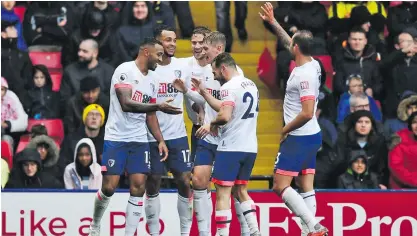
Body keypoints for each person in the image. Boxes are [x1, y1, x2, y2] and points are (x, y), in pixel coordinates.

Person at [87, 38, 181, 236]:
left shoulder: (153, 80)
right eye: (158, 54)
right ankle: (95, 224)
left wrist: (160, 140)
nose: (160, 59)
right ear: (146, 52)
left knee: (139, 186)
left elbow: (150, 115)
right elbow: (126, 103)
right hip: (116, 138)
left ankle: (129, 233)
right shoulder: (125, 71)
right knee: (109, 187)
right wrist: (158, 106)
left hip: (139, 140)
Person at [259, 3, 328, 236]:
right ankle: (309, 231)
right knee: (305, 185)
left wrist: (285, 129)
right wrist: (273, 21)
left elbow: (307, 111)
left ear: (296, 47)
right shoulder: (312, 62)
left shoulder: (304, 75)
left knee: (280, 186)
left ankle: (314, 226)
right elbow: (291, 42)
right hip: (312, 135)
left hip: (299, 135)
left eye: (292, 42)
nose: (290, 44)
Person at [173, 31, 249, 235]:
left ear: (219, 49)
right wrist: (187, 92)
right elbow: (206, 100)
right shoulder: (207, 71)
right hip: (207, 136)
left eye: (206, 48)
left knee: (233, 188)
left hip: (228, 137)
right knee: (198, 180)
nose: (202, 51)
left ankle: (245, 230)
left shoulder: (235, 75)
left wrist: (214, 124)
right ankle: (205, 232)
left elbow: (233, 109)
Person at [191, 52, 261, 236]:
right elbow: (226, 107)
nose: (214, 76)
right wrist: (205, 92)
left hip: (231, 146)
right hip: (250, 147)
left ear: (223, 68)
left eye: (215, 73)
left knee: (222, 193)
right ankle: (255, 231)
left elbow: (224, 115)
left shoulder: (228, 87)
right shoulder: (250, 84)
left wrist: (211, 123)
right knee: (241, 190)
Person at [144, 25, 193, 236]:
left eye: (174, 40)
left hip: (178, 136)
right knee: (153, 181)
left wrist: (198, 109)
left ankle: (184, 232)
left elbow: (194, 91)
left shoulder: (184, 66)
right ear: (158, 43)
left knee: (184, 181)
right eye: (167, 40)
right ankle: (154, 232)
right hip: (152, 137)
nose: (172, 43)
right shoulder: (147, 72)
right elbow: (147, 111)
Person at [388, 111, 417, 189]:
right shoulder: (400, 139)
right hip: (402, 188)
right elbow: (396, 166)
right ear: (410, 125)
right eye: (414, 122)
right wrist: (415, 181)